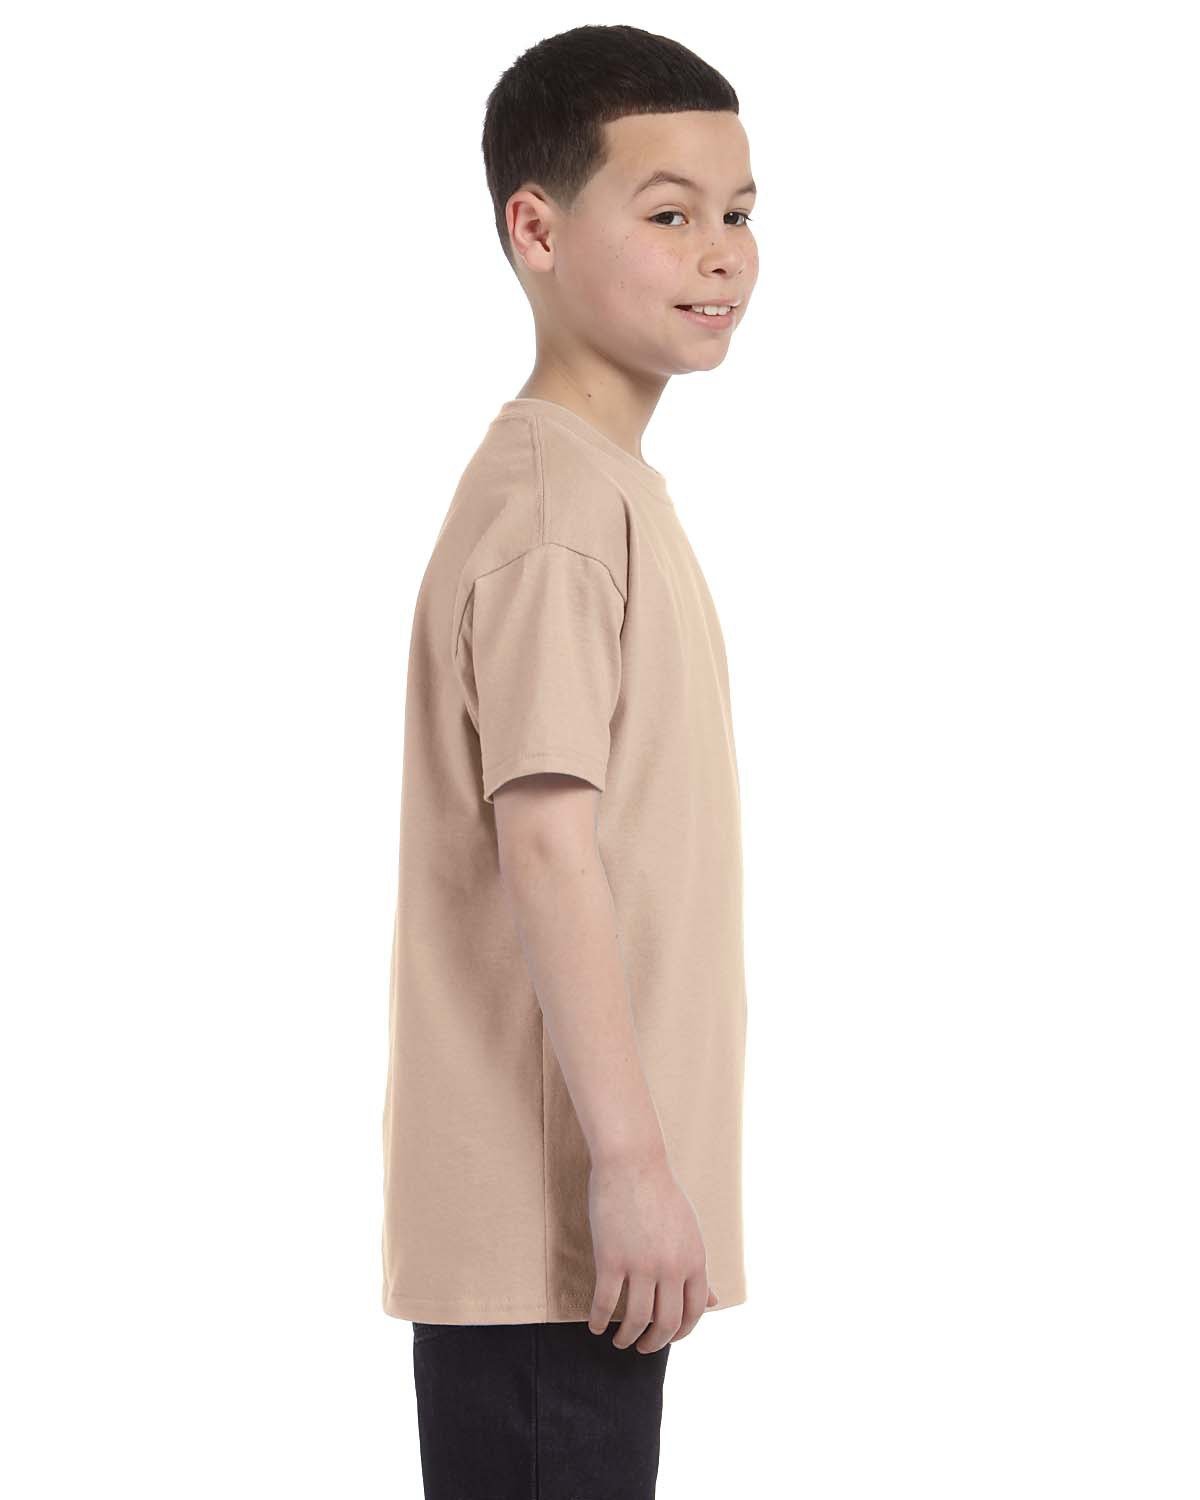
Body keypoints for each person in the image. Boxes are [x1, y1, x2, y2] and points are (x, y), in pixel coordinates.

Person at [381, 23, 758, 1499]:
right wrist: (633, 1168)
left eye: (739, 213)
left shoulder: (599, 487)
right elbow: (546, 839)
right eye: (668, 213)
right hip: (555, 1245)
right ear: (534, 230)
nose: (720, 253)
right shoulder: (555, 511)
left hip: (574, 1243)